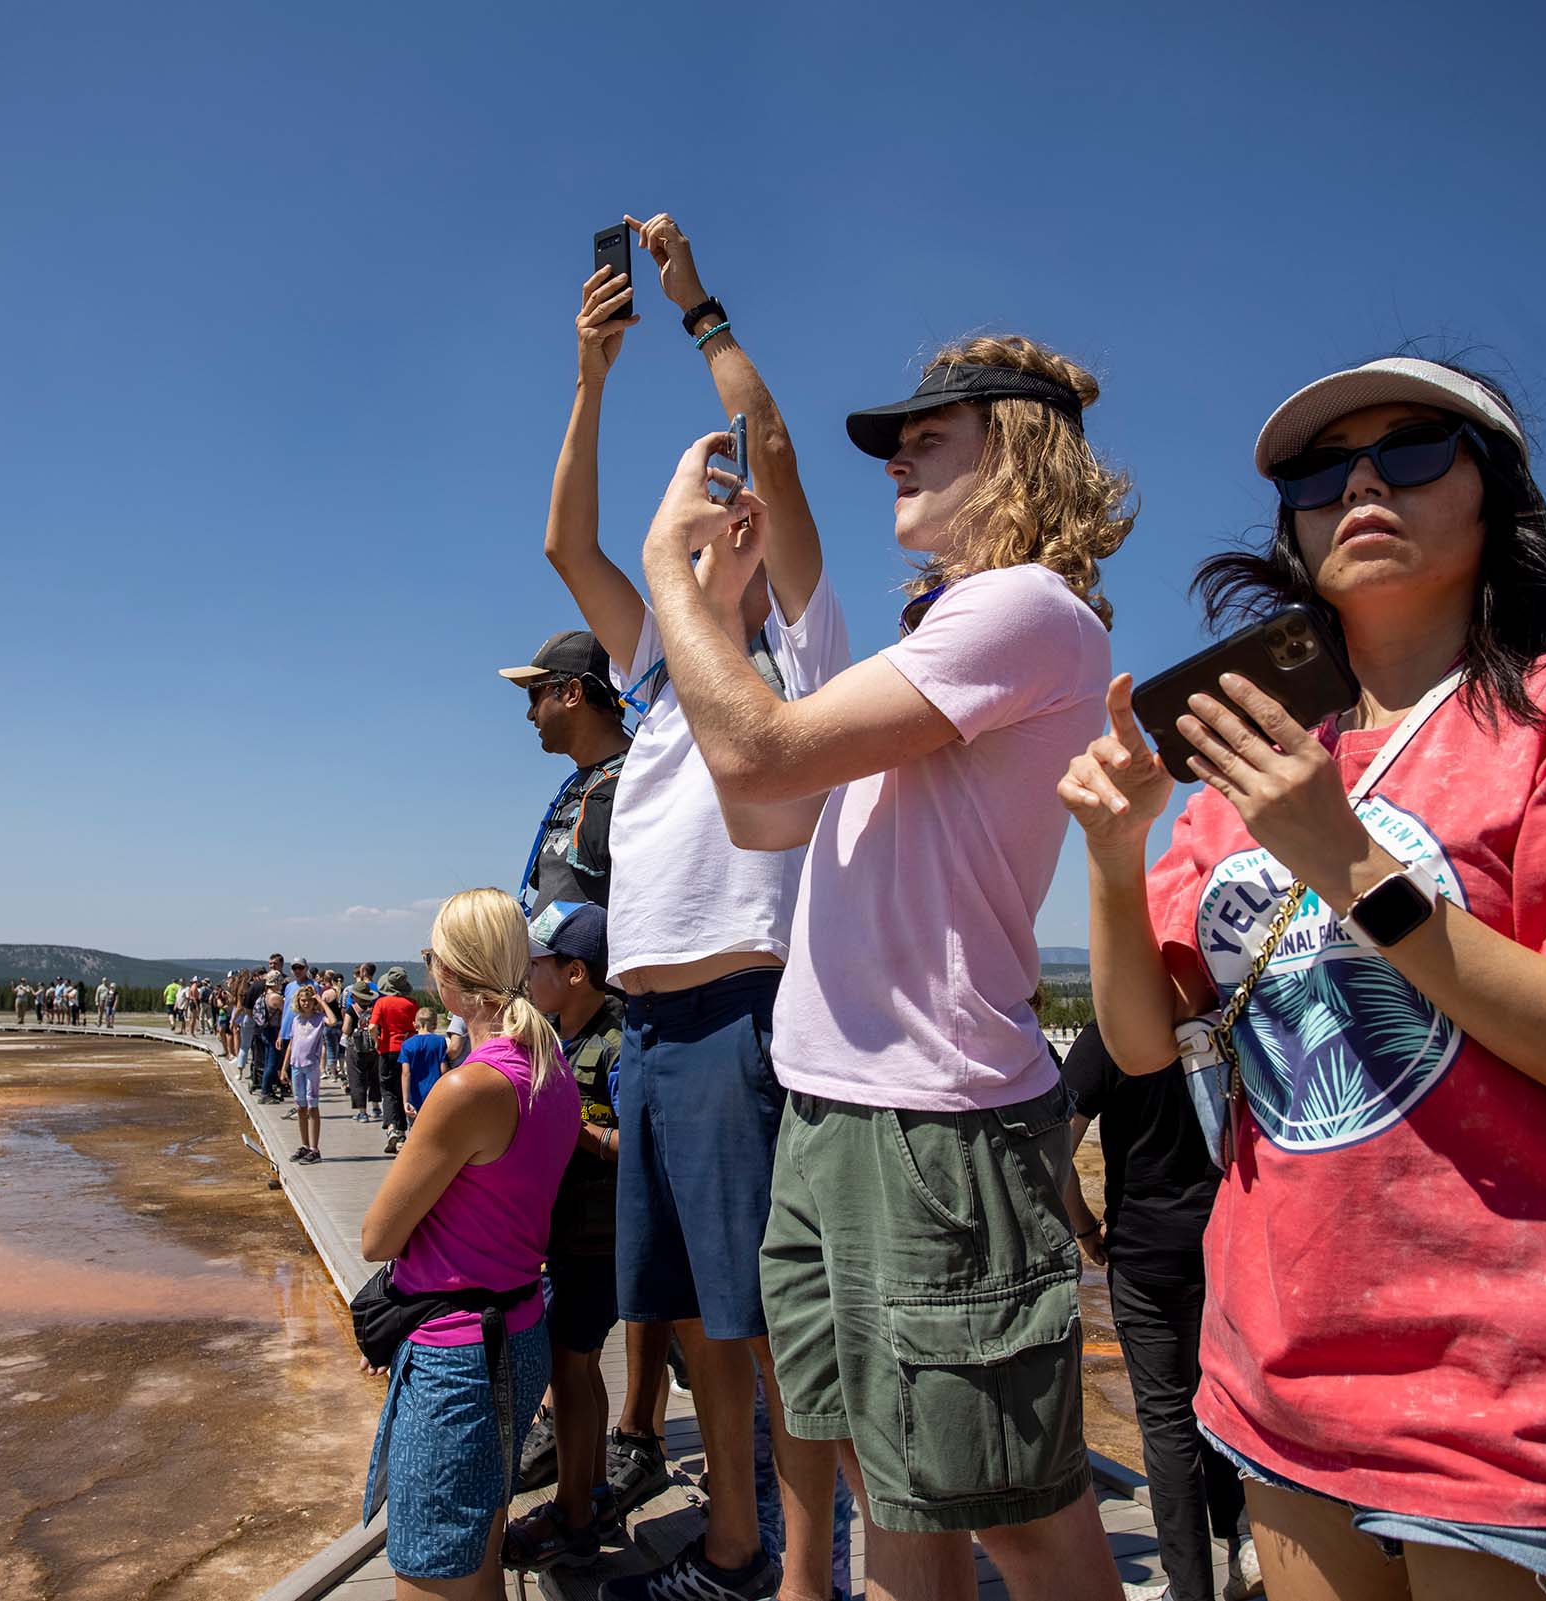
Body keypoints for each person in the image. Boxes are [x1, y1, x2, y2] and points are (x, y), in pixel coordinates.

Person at [1063, 356, 1546, 1599]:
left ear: (1497, 497)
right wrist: (1114, 867)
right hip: (1281, 1375)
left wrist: (1347, 859)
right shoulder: (1263, 759)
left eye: (1418, 450)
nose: (1365, 482)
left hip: (1523, 1401)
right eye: (1323, 471)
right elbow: (1142, 1036)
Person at [648, 331, 1131, 1600]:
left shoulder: (1022, 607)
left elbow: (755, 761)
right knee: (886, 1473)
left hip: (934, 1120)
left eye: (932, 436)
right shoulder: (950, 628)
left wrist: (672, 585)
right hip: (842, 1106)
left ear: (1018, 451)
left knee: (1016, 1510)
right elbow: (768, 810)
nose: (899, 459)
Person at [544, 210, 847, 1601]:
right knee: (696, 1321)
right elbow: (567, 544)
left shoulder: (795, 651)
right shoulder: (659, 677)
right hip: (652, 1041)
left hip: (740, 1018)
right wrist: (592, 374)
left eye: (743, 524)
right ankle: (733, 1546)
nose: (730, 522)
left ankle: (804, 1566)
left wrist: (698, 310)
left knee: (775, 1319)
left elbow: (772, 452)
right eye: (717, 521)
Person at [359, 888, 581, 1599]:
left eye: (432, 958)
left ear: (451, 973)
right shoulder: (551, 1068)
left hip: (459, 1359)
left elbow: (376, 1235)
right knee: (477, 1561)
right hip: (516, 1330)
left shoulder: (470, 1087)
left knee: (431, 1571)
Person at [1061, 1026, 1260, 1601]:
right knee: (1230, 1403)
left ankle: (1188, 1589)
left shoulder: (1108, 1034)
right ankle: (1247, 1546)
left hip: (1147, 1253)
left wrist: (1083, 1227)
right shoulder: (1224, 1013)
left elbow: (1054, 1150)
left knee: (1166, 1421)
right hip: (1229, 1243)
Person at [504, 900, 628, 1569]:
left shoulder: (617, 1043)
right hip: (568, 1240)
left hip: (598, 1244)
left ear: (575, 971)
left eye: (538, 962)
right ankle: (595, 1487)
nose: (528, 973)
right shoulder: (557, 1035)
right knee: (578, 1368)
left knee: (567, 1367)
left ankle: (573, 1513)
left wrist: (577, 1130)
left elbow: (644, 1144)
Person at [501, 631, 630, 913]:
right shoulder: (574, 786)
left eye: (534, 694)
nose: (530, 714)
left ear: (573, 693)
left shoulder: (641, 781)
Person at [280, 982, 332, 1161]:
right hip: (296, 1066)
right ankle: (304, 1145)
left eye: (309, 1001)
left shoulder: (319, 1019)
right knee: (300, 1107)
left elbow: (332, 1021)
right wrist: (284, 1067)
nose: (306, 1004)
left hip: (311, 1066)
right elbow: (292, 1044)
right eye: (303, 1001)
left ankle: (314, 1148)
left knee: (312, 1106)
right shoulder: (296, 1020)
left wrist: (321, 1001)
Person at [372, 966, 419, 1153]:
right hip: (406, 1049)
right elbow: (416, 1026)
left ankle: (392, 1128)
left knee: (388, 1090)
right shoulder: (412, 1004)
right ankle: (402, 1131)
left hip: (386, 1049)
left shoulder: (382, 1003)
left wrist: (377, 1041)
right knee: (403, 1090)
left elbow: (372, 1026)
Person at [343, 964, 383, 1123]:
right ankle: (376, 1107)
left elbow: (346, 1029)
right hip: (373, 1047)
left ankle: (362, 1112)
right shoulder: (375, 1008)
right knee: (374, 1077)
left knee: (357, 1079)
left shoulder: (352, 1009)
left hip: (357, 1049)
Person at [401, 1008, 451, 1120]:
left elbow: (405, 1073)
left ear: (414, 1024)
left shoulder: (407, 1045)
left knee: (415, 1129)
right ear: (435, 1025)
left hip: (415, 1096)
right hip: (435, 1094)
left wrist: (405, 1101)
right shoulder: (440, 1042)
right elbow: (443, 1070)